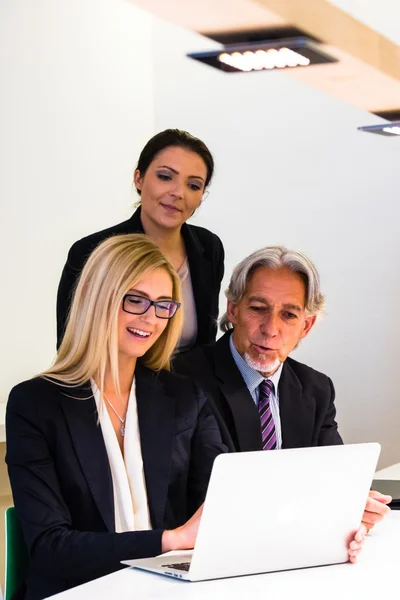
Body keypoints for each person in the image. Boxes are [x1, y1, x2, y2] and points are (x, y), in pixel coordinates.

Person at [6, 234, 226, 600]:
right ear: (97, 296)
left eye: (163, 305)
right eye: (135, 300)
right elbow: (49, 549)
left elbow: (224, 501)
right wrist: (169, 540)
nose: (150, 318)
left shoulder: (185, 396)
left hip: (169, 591)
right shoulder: (35, 403)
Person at [173, 245, 391, 531]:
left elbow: (334, 478)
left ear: (306, 326)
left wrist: (354, 507)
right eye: (258, 308)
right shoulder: (184, 379)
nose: (270, 328)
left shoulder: (316, 389)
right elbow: (209, 493)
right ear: (233, 310)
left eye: (288, 315)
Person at [56, 129, 224, 352]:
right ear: (139, 179)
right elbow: (71, 347)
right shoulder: (91, 252)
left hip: (192, 385)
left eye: (193, 185)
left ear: (201, 196)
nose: (178, 193)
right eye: (165, 177)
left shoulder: (208, 246)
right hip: (118, 384)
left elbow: (206, 345)